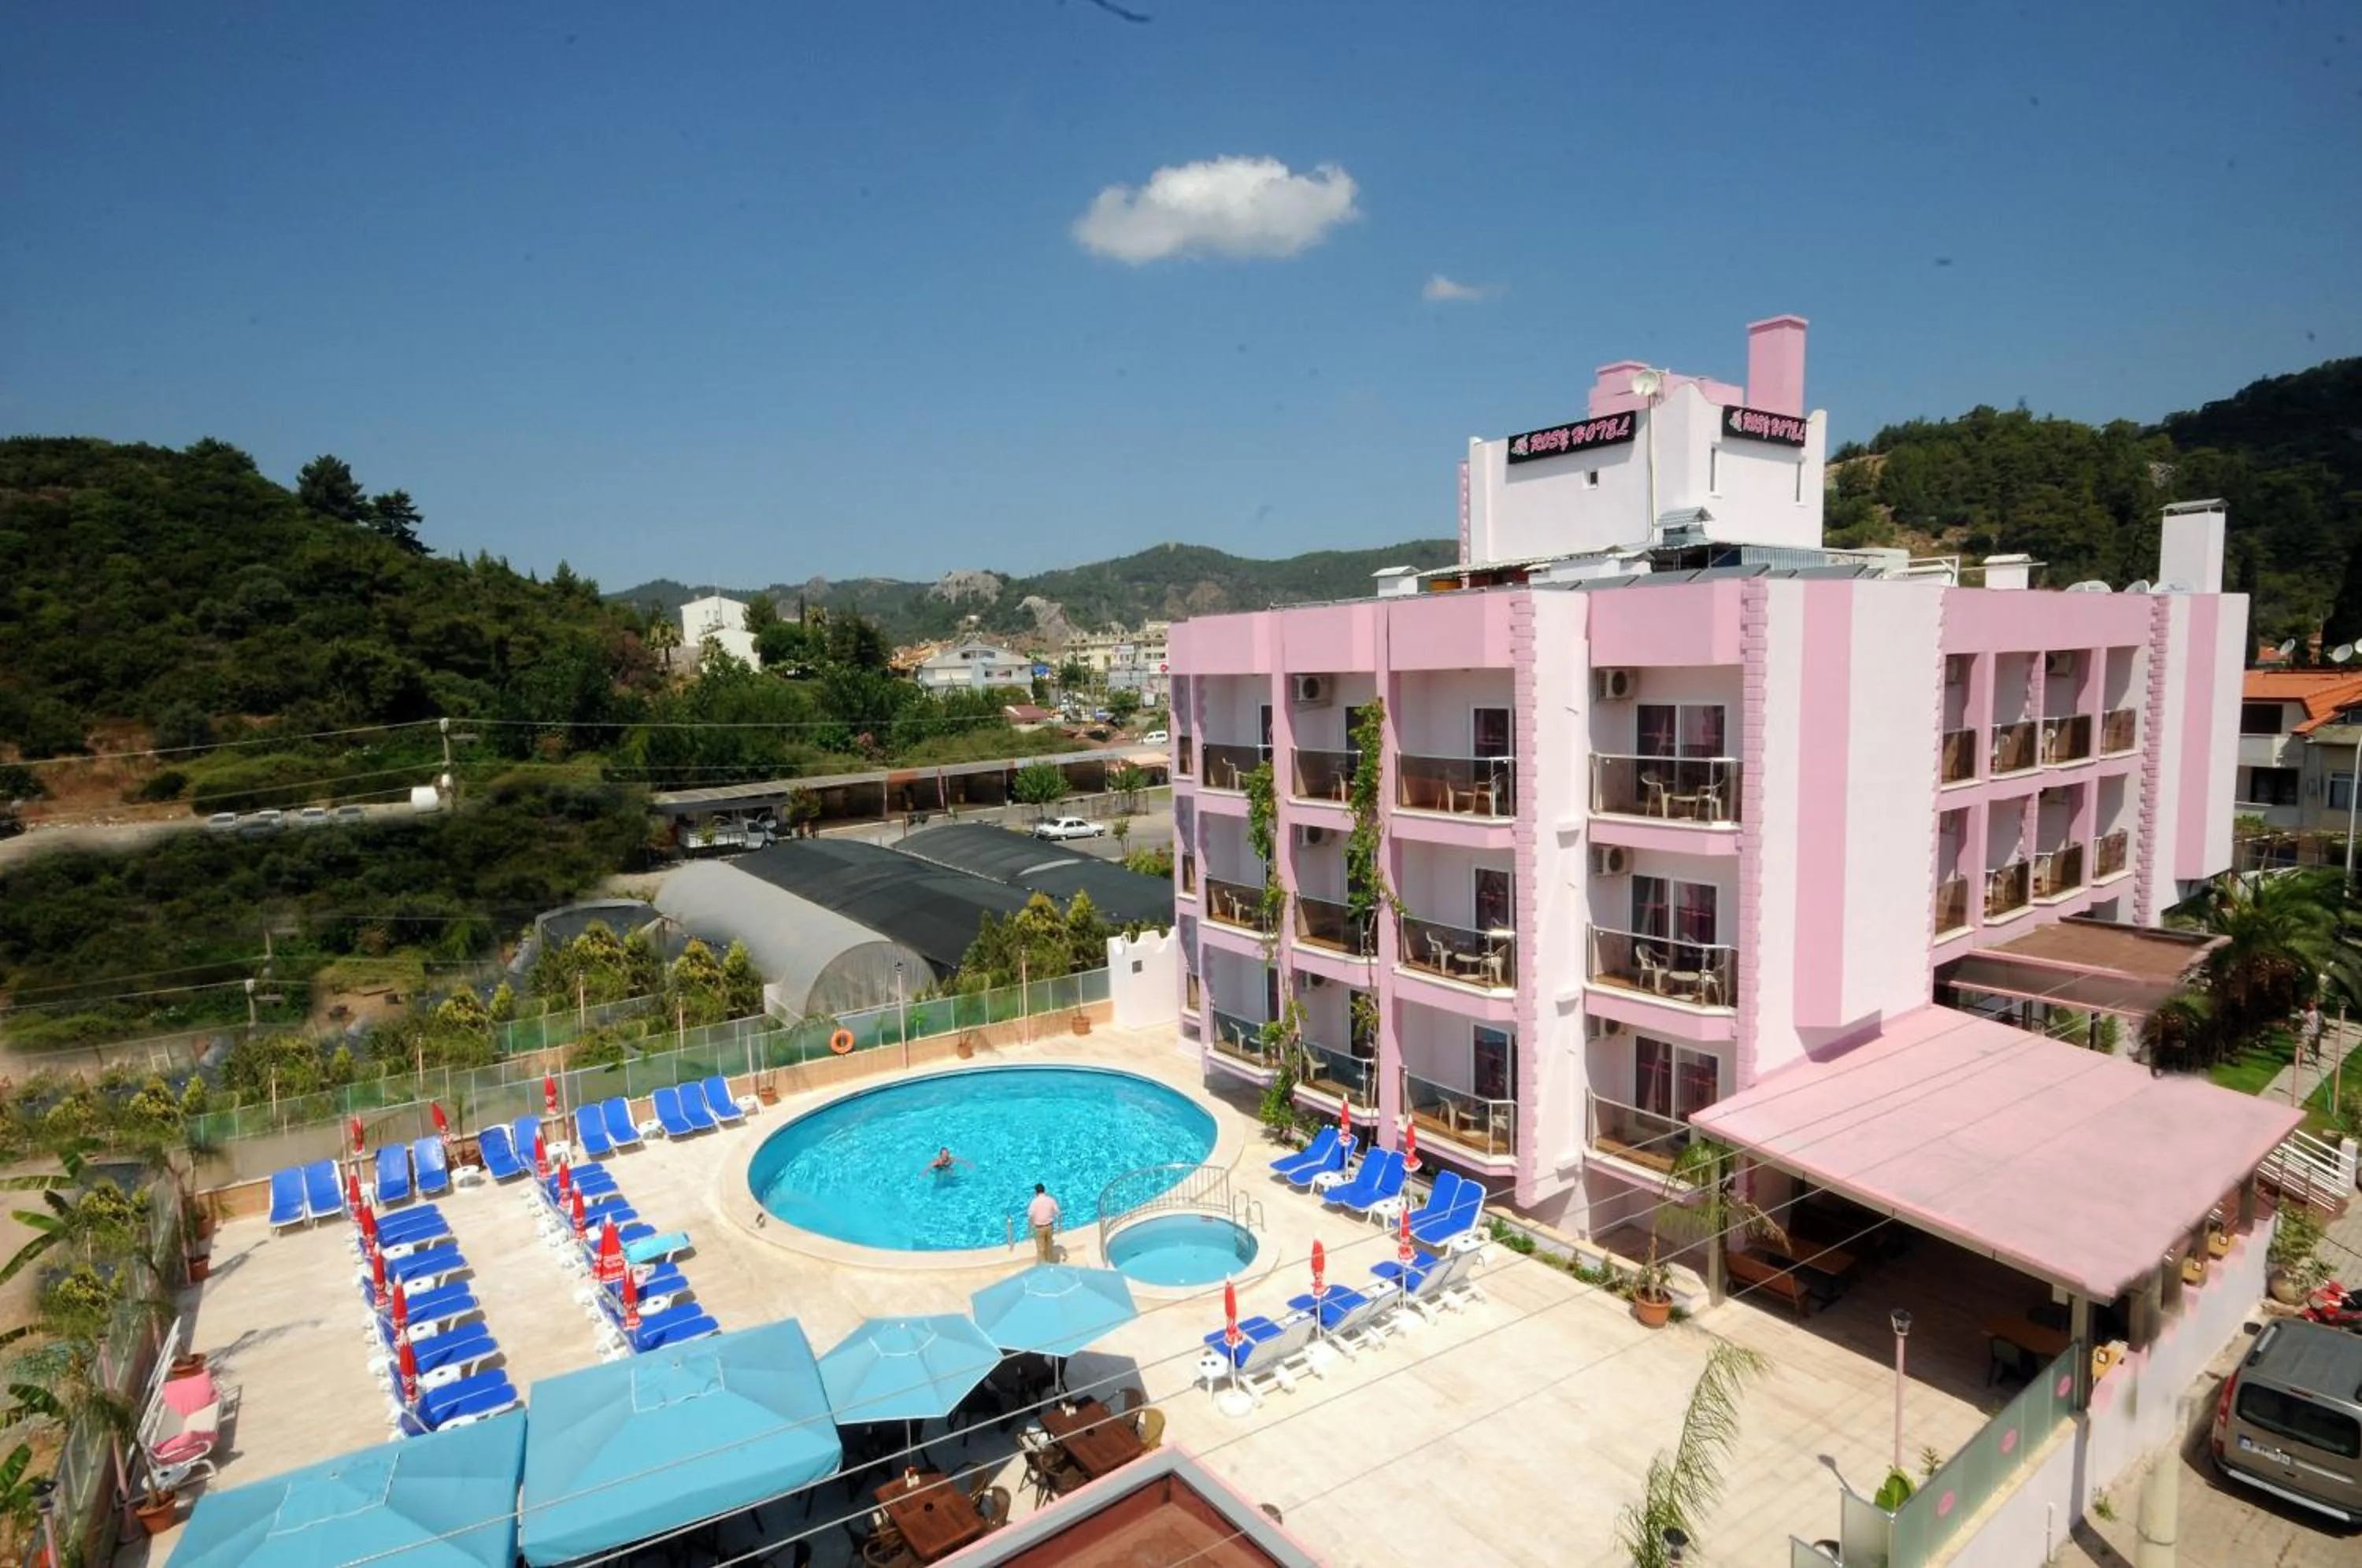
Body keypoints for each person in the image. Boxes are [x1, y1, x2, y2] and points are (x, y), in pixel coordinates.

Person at [1027, 1182, 1061, 1263]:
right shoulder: (1051, 1200)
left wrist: (1029, 1231)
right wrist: (1060, 1226)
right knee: (1049, 1248)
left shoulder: (1034, 1202)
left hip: (1039, 1228)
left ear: (1036, 1192)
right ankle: (1051, 1264)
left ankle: (1043, 1267)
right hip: (1049, 1226)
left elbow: (1030, 1216)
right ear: (1044, 1190)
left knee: (1041, 1250)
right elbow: (1059, 1214)